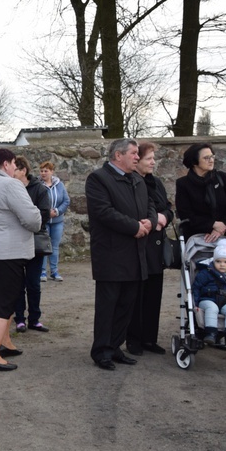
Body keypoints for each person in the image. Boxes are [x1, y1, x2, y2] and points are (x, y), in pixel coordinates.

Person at [86, 138, 156, 371]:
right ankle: (101, 351)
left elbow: (150, 206)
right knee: (108, 307)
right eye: (134, 153)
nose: (137, 157)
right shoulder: (98, 179)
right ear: (118, 155)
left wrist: (150, 221)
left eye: (138, 154)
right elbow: (103, 212)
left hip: (136, 255)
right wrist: (135, 227)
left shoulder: (137, 179)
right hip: (112, 255)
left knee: (127, 306)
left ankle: (115, 347)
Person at [0, 149, 42, 372]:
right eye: (13, 164)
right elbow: (32, 219)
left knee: (4, 301)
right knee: (1, 306)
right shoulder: (11, 185)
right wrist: (38, 216)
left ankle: (4, 343)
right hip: (6, 252)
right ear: (5, 164)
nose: (15, 168)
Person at [126, 142, 173, 355]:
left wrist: (163, 217)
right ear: (137, 161)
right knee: (137, 295)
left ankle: (149, 339)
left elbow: (168, 208)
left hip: (156, 246)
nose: (153, 162)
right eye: (148, 158)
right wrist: (153, 221)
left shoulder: (157, 183)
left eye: (153, 158)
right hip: (139, 244)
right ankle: (133, 339)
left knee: (154, 293)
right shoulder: (130, 183)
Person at [12, 156, 51, 333]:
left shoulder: (40, 189)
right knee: (17, 284)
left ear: (23, 170)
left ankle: (34, 319)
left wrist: (26, 223)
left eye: (15, 170)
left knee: (33, 283)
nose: (11, 173)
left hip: (34, 241)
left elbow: (44, 215)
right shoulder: (10, 189)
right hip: (15, 242)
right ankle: (19, 318)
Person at [175, 143, 226, 243]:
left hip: (224, 237)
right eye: (206, 158)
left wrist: (223, 226)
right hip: (198, 240)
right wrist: (212, 225)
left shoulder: (223, 178)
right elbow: (185, 215)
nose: (211, 160)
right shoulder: (183, 184)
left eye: (212, 156)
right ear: (194, 162)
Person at [38, 161, 70, 282]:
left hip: (57, 220)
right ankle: (42, 272)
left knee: (55, 247)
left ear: (52, 172)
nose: (43, 173)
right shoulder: (38, 185)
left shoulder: (59, 185)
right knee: (44, 246)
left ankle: (54, 271)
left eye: (46, 171)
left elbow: (66, 201)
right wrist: (46, 213)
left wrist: (57, 211)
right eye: (41, 171)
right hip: (44, 221)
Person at [192, 242, 226, 345]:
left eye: (225, 262)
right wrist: (195, 302)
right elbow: (197, 287)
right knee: (212, 308)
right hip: (207, 300)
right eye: (218, 261)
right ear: (213, 260)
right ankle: (211, 333)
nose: (222, 264)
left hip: (224, 301)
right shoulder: (206, 273)